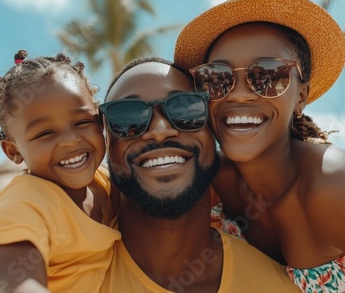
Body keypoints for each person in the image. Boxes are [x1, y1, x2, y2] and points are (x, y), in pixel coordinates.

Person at [174, 0, 345, 293]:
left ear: (301, 97)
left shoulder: (335, 185)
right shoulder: (211, 180)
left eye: (268, 75)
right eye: (217, 77)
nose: (239, 94)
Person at [98, 57, 300, 292]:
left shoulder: (278, 287)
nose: (161, 131)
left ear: (214, 130)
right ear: (104, 143)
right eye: (127, 117)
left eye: (185, 108)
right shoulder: (65, 268)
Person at [0, 50, 121, 293]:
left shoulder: (108, 184)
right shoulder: (25, 202)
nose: (69, 140)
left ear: (100, 122)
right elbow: (13, 277)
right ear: (13, 151)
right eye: (45, 133)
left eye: (82, 122)